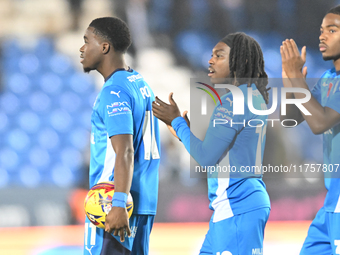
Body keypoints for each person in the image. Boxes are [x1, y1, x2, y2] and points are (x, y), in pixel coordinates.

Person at [153, 32, 271, 255]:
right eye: (211, 55)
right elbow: (225, 151)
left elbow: (206, 157)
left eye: (219, 55)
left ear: (241, 61)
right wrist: (183, 132)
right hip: (235, 207)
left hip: (237, 206)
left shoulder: (231, 102)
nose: (210, 60)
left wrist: (177, 122)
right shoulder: (252, 96)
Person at [80, 17, 160, 255]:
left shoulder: (113, 92)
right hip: (141, 200)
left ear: (105, 47)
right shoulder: (139, 82)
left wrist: (117, 204)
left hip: (114, 204)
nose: (82, 48)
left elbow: (124, 150)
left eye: (87, 41)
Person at [280, 5, 340, 255]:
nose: (322, 36)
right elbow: (290, 119)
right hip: (331, 201)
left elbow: (319, 123)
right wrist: (290, 83)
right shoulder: (328, 78)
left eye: (332, 30)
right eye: (321, 30)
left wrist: (297, 77)